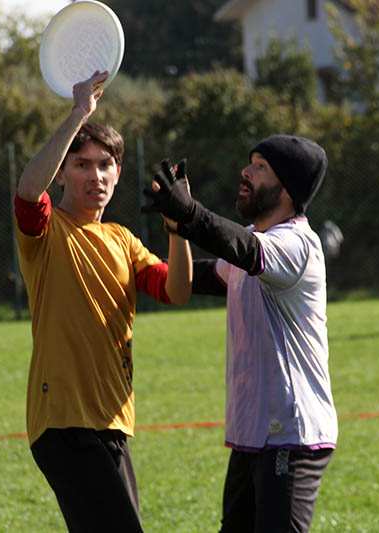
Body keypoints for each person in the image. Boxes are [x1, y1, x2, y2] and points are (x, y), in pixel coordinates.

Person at [13, 71, 192, 533]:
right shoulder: (47, 228)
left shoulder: (123, 240)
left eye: (106, 163)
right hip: (62, 422)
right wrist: (78, 114)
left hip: (114, 421)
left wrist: (180, 228)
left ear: (118, 173)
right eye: (82, 164)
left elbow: (177, 290)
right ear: (63, 173)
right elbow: (28, 190)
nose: (96, 175)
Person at [143, 135, 337, 533]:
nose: (246, 172)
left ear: (288, 189)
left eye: (261, 166)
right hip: (254, 436)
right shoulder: (256, 243)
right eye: (250, 162)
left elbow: (243, 249)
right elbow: (200, 274)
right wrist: (128, 266)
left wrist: (191, 213)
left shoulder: (297, 244)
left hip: (290, 435)